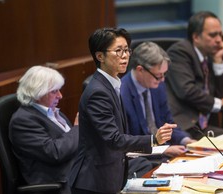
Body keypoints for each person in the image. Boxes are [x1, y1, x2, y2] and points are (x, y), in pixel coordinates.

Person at [69, 27, 175, 194]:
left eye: (126, 50)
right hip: (93, 182)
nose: (125, 56)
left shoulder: (111, 85)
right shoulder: (98, 91)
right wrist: (153, 140)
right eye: (118, 51)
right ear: (100, 56)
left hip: (109, 176)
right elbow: (114, 139)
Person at [120, 42, 196, 176]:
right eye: (158, 75)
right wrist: (162, 149)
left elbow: (167, 122)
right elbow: (126, 143)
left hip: (164, 155)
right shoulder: (122, 94)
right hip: (140, 162)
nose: (162, 80)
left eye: (164, 74)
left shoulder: (158, 86)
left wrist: (187, 141)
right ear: (140, 70)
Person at [165, 11, 223, 140]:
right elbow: (186, 91)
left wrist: (218, 61)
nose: (219, 40)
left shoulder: (208, 56)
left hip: (204, 126)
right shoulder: (179, 52)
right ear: (196, 37)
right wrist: (218, 103)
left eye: (220, 34)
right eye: (213, 35)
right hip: (186, 127)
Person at [9, 65, 79, 194]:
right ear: (37, 92)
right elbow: (55, 153)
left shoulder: (53, 112)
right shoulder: (23, 121)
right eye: (54, 91)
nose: (60, 96)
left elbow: (71, 142)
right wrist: (77, 128)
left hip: (78, 171)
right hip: (60, 184)